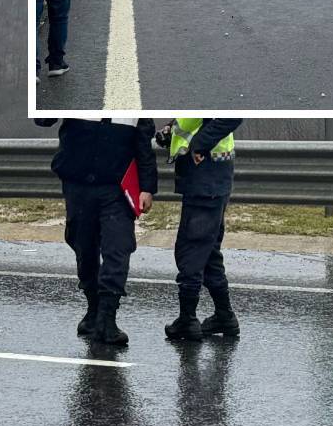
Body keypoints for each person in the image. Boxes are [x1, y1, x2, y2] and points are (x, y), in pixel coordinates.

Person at [35, 116, 156, 346]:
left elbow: (143, 144)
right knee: (84, 248)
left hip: (117, 187)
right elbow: (43, 120)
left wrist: (147, 187)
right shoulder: (75, 98)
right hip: (79, 184)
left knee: (117, 249)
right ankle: (93, 310)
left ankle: (107, 319)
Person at [158, 118, 245, 340]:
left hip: (206, 175)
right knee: (208, 252)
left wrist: (199, 144)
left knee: (191, 250)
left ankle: (187, 319)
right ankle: (224, 316)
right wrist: (171, 128)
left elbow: (231, 116)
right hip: (209, 176)